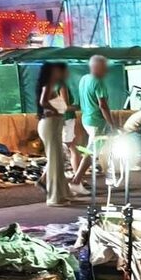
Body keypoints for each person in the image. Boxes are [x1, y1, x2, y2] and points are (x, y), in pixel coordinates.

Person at [71, 55, 116, 189]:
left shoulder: (84, 79)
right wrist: (112, 124)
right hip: (97, 121)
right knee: (92, 152)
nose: (106, 70)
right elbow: (103, 105)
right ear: (98, 67)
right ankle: (76, 181)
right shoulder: (98, 82)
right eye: (104, 67)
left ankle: (108, 175)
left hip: (86, 119)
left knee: (95, 150)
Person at [36, 62, 72, 206]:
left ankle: (59, 192)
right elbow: (43, 102)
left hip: (53, 125)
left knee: (57, 160)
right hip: (50, 124)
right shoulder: (49, 85)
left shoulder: (53, 86)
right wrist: (55, 110)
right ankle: (54, 197)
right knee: (55, 161)